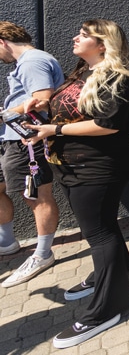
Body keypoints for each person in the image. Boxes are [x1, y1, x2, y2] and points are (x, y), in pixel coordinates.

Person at [25, 20, 129, 348]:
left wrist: (54, 132)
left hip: (99, 168)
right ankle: (119, 269)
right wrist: (42, 108)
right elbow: (71, 109)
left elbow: (109, 124)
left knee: (99, 233)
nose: (76, 37)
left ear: (103, 44)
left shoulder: (118, 79)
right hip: (71, 167)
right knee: (103, 226)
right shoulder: (81, 73)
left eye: (85, 34)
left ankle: (108, 307)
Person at [0, 22, 64, 288]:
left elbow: (41, 100)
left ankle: (43, 253)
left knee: (37, 196)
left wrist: (4, 114)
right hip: (14, 139)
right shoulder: (26, 62)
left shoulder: (32, 61)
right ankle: (6, 243)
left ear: (2, 41)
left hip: (28, 140)